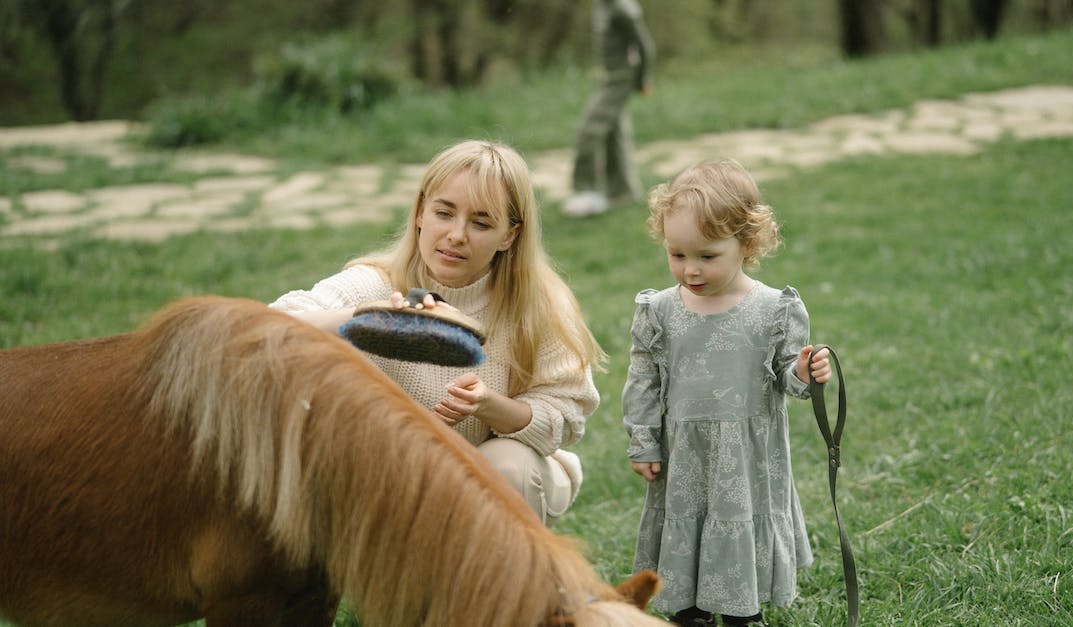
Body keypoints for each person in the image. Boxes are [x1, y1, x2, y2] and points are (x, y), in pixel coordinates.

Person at [270, 139, 606, 525]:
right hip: (395, 474)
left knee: (508, 465)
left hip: (494, 471)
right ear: (419, 213)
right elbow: (270, 327)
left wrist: (488, 405)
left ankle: (506, 583)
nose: (457, 234)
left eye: (481, 223)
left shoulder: (537, 306)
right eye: (444, 213)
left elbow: (564, 416)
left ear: (509, 236)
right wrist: (369, 319)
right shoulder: (376, 286)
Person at [621, 159, 833, 626]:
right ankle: (689, 611)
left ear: (747, 242)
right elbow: (644, 380)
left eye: (706, 256)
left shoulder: (773, 309)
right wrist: (643, 440)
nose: (690, 269)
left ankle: (742, 612)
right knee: (688, 522)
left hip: (747, 459)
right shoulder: (659, 311)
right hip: (684, 454)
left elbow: (788, 379)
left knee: (738, 522)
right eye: (677, 255)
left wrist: (804, 372)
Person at [562, 0, 655, 218]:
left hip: (621, 78)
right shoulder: (600, 5)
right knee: (614, 132)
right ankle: (622, 191)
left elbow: (645, 46)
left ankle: (587, 192)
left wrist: (642, 80)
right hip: (607, 77)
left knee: (589, 131)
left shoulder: (623, 9)